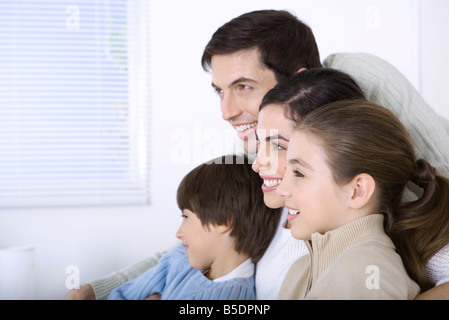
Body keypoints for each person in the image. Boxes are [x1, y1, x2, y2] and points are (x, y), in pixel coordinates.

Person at [65, 10, 449, 300]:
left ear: (297, 80)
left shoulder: (359, 211)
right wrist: (108, 289)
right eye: (219, 91)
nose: (226, 112)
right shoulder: (256, 163)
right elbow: (204, 232)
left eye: (243, 86)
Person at [276, 100, 449, 299]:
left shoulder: (370, 274)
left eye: (298, 173)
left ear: (358, 191)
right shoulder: (301, 270)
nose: (282, 189)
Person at [108, 154, 281, 300]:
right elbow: (120, 295)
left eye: (186, 217)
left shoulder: (232, 296)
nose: (178, 233)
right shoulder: (179, 259)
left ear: (222, 221)